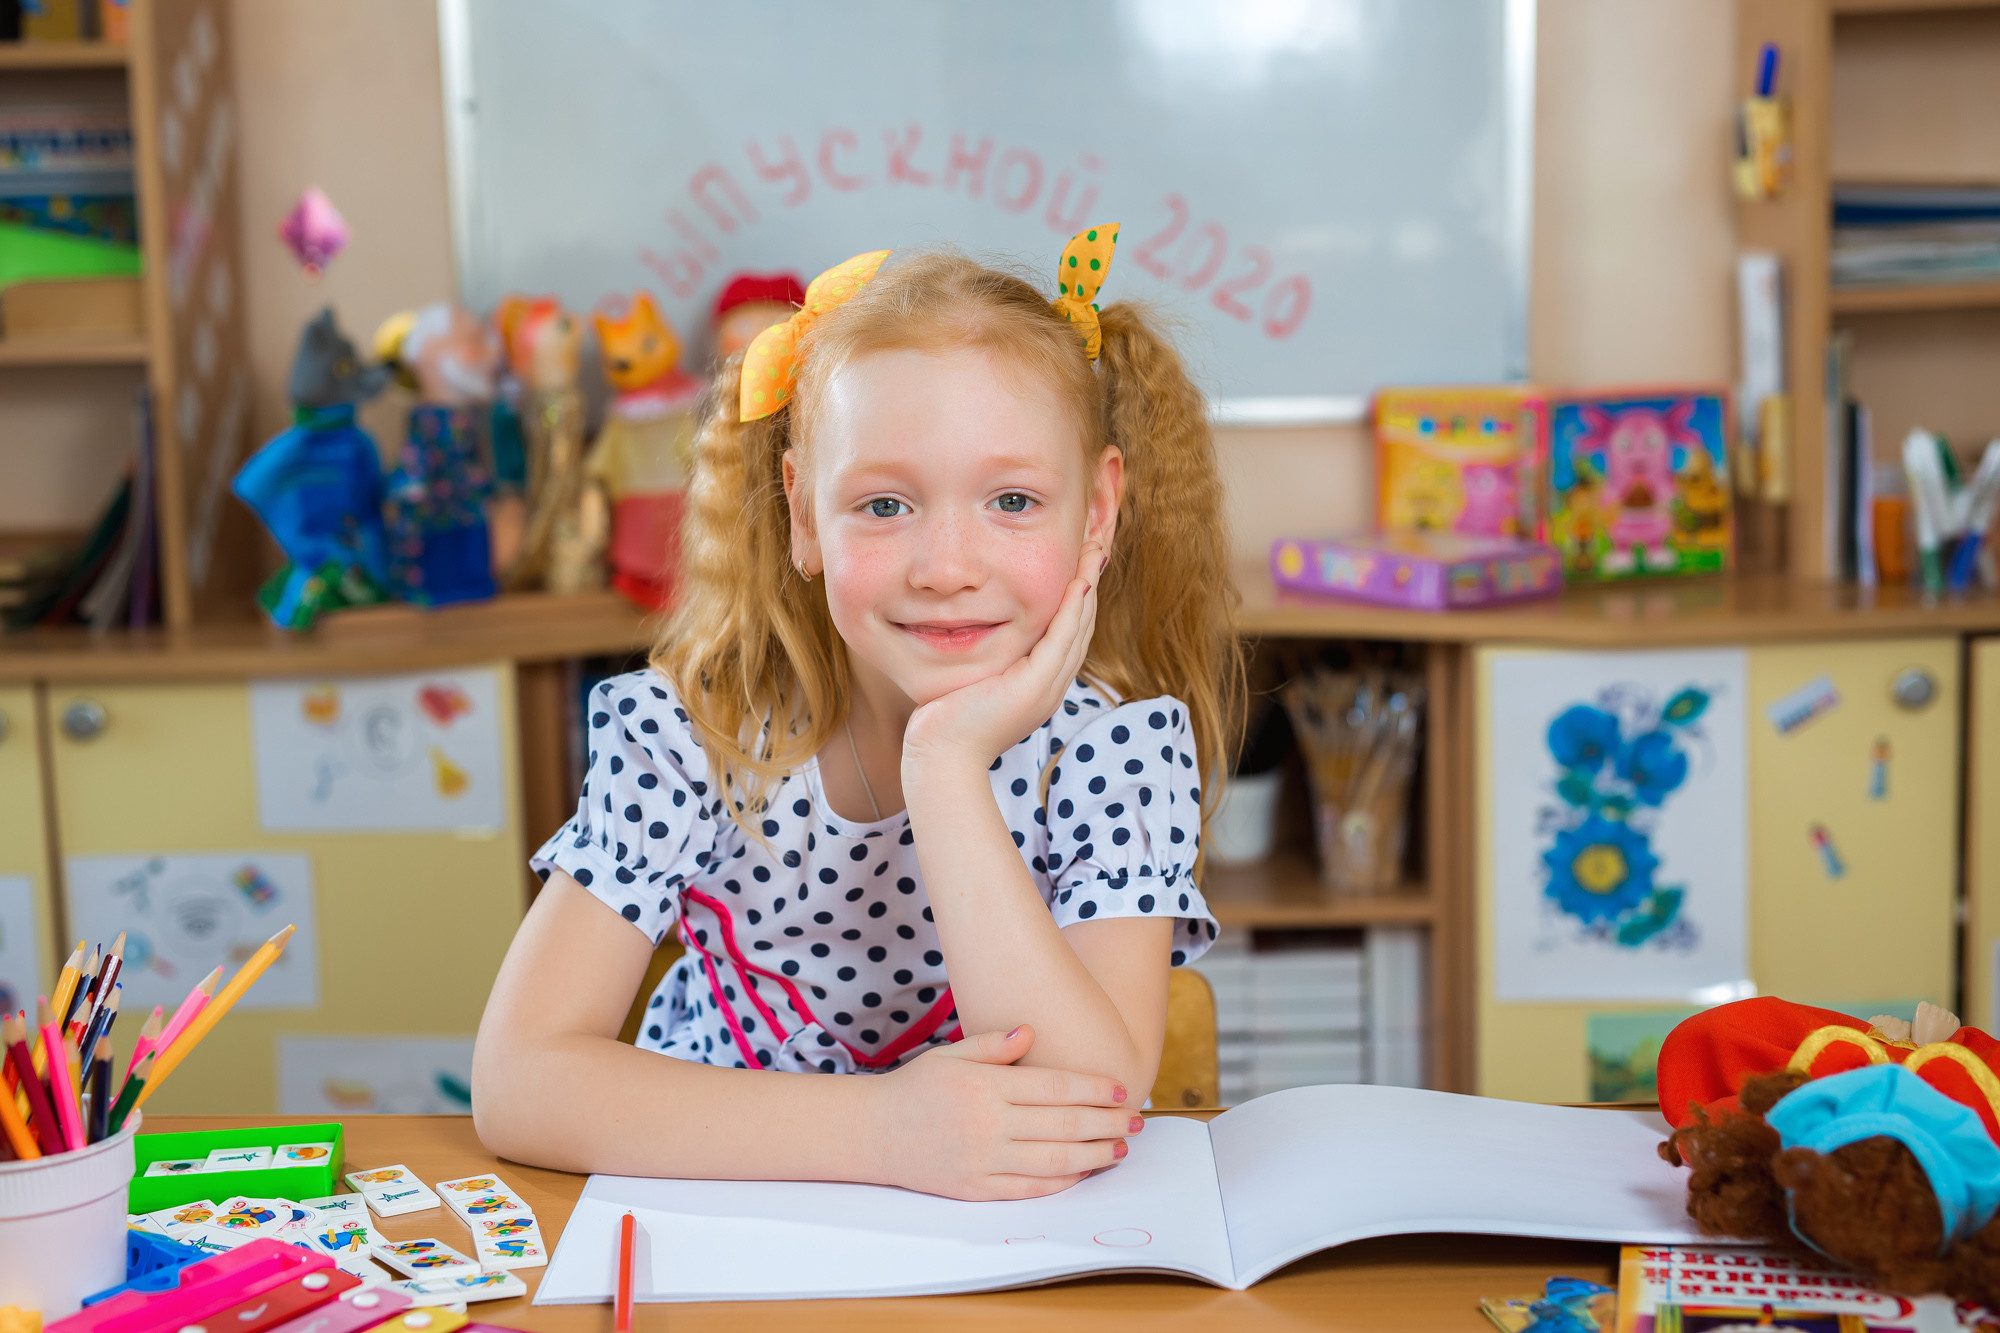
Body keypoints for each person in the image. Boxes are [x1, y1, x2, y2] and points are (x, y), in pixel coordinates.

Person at [473, 228, 1239, 1202]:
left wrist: (945, 769)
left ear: (1096, 512)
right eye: (883, 506)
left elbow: (1085, 1099)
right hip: (728, 1253)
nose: (945, 565)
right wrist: (883, 1131)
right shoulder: (690, 736)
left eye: (1010, 499)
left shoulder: (1114, 754)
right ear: (802, 514)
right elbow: (518, 1079)